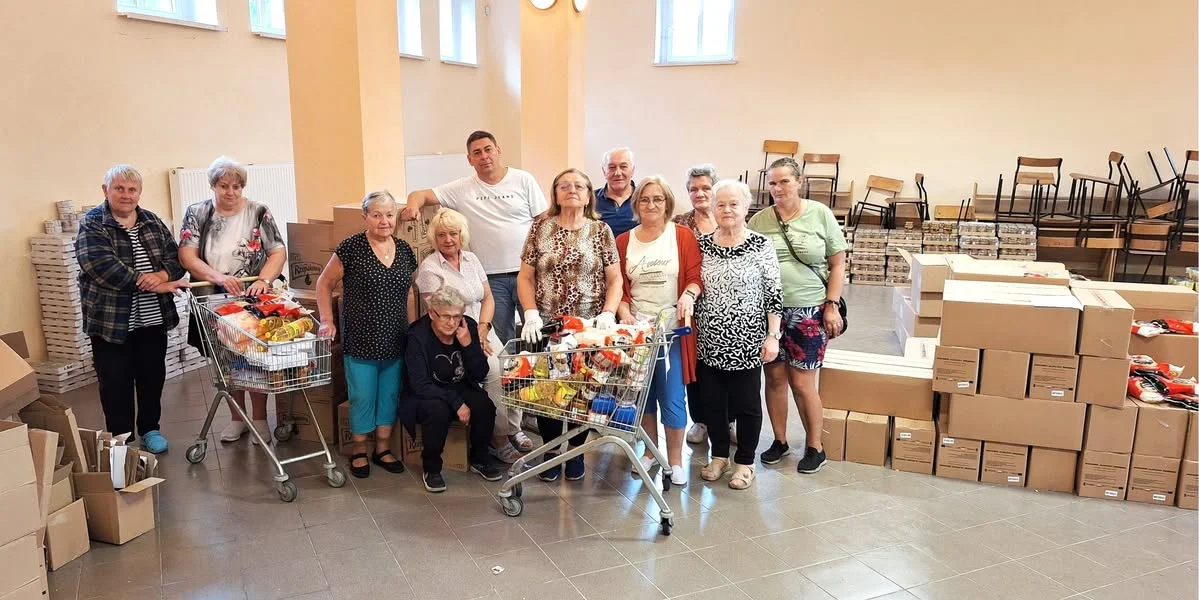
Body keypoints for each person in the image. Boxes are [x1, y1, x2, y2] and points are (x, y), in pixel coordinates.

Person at [401, 131, 548, 364]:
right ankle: (510, 382)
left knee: (539, 334)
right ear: (470, 159)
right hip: (492, 278)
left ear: (498, 150)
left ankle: (539, 381)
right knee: (502, 341)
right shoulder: (462, 188)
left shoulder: (523, 180)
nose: (484, 156)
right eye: (477, 153)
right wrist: (412, 207)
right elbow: (420, 194)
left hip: (528, 274)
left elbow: (544, 222)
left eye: (488, 150)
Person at [518, 168, 622, 483]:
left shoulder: (601, 230)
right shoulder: (540, 228)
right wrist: (530, 313)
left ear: (589, 194)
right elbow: (525, 277)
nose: (571, 190)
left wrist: (608, 313)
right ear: (555, 194)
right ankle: (551, 451)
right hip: (547, 326)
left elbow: (615, 279)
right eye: (564, 185)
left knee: (583, 392)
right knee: (548, 392)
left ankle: (575, 451)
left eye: (579, 185)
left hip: (588, 328)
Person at [76, 165, 190, 454]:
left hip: (152, 320)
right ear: (106, 190)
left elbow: (175, 258)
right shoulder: (93, 223)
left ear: (139, 193)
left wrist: (163, 275)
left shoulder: (151, 221)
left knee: (152, 377)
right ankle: (121, 439)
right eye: (119, 188)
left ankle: (150, 429)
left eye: (132, 190)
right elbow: (101, 266)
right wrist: (152, 284)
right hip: (111, 323)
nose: (126, 195)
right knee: (115, 383)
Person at [748, 157, 847, 474]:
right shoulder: (760, 221)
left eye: (784, 181)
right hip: (769, 313)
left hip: (809, 310)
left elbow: (837, 264)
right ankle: (779, 441)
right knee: (774, 379)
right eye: (772, 183)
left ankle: (815, 446)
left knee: (803, 383)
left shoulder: (820, 214)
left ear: (799, 182)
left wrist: (831, 304)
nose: (777, 188)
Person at [179, 156, 286, 445]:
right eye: (224, 186)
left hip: (252, 299)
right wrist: (218, 277)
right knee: (225, 361)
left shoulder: (258, 211)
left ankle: (260, 419)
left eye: (236, 186)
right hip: (211, 299)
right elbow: (187, 255)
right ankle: (238, 418)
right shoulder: (197, 213)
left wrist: (264, 281)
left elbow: (277, 251)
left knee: (254, 359)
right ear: (213, 185)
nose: (231, 192)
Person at [316, 191, 418, 478]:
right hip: (361, 338)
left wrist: (412, 330)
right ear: (365, 218)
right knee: (362, 396)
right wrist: (327, 320)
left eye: (389, 215)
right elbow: (324, 284)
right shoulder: (351, 248)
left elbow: (409, 293)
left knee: (389, 395)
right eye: (377, 215)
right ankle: (359, 449)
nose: (384, 221)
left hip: (396, 337)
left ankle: (382, 448)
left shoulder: (405, 249)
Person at [414, 208, 528, 463]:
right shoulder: (430, 269)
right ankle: (498, 438)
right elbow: (440, 315)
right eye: (441, 235)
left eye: (453, 233)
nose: (448, 240)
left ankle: (514, 428)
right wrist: (473, 338)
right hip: (455, 335)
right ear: (434, 238)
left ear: (461, 234)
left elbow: (488, 297)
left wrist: (484, 327)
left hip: (482, 329)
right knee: (494, 371)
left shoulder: (472, 259)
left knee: (512, 367)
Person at [695, 180, 782, 490]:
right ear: (713, 209)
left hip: (748, 341)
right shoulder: (702, 244)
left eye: (734, 204)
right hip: (708, 340)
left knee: (747, 405)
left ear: (746, 208)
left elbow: (773, 292)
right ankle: (719, 456)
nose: (727, 209)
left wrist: (773, 336)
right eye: (721, 204)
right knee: (712, 403)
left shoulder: (761, 244)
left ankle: (745, 462)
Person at [615, 176, 702, 487]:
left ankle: (675, 460)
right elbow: (619, 288)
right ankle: (651, 452)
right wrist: (625, 314)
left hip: (672, 333)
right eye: (644, 199)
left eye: (658, 199)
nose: (651, 205)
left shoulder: (682, 236)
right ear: (636, 204)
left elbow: (695, 277)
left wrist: (688, 295)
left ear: (667, 203)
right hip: (639, 334)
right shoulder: (623, 241)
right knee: (644, 396)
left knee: (672, 396)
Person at [401, 286, 501, 492]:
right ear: (432, 313)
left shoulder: (468, 326)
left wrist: (468, 346)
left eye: (457, 316)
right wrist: (457, 403)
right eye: (446, 316)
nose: (452, 323)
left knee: (484, 406)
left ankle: (480, 458)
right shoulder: (417, 335)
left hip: (459, 385)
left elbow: (480, 373)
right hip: (428, 392)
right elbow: (419, 384)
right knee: (438, 411)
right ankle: (431, 468)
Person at [672, 164, 726, 446]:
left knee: (725, 364)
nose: (700, 193)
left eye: (705, 187)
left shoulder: (727, 218)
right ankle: (701, 420)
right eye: (693, 189)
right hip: (691, 304)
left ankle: (728, 420)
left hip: (724, 304)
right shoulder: (680, 223)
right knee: (695, 364)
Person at [595, 147, 638, 237]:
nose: (617, 173)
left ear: (632, 170)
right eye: (612, 167)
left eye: (623, 167)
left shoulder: (644, 198)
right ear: (604, 171)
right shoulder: (590, 200)